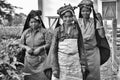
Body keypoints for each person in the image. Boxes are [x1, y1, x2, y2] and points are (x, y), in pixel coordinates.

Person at [47, 4, 88, 80]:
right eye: (65, 17)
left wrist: (83, 64)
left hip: (75, 62)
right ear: (62, 18)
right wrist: (55, 68)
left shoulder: (77, 30)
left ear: (73, 17)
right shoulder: (57, 31)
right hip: (62, 62)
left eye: (70, 16)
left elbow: (81, 47)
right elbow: (53, 50)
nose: (68, 19)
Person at [14, 10, 52, 80]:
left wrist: (41, 48)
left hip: (41, 61)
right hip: (29, 62)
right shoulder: (26, 32)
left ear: (39, 22)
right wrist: (26, 47)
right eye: (32, 22)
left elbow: (49, 44)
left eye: (35, 22)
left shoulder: (45, 32)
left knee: (42, 77)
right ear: (29, 23)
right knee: (29, 77)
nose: (34, 24)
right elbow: (20, 44)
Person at [77, 0, 105, 80]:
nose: (85, 13)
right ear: (81, 12)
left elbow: (102, 35)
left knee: (94, 74)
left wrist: (101, 22)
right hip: (81, 53)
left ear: (90, 11)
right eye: (83, 11)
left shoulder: (95, 22)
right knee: (81, 74)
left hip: (93, 53)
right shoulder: (78, 22)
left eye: (87, 11)